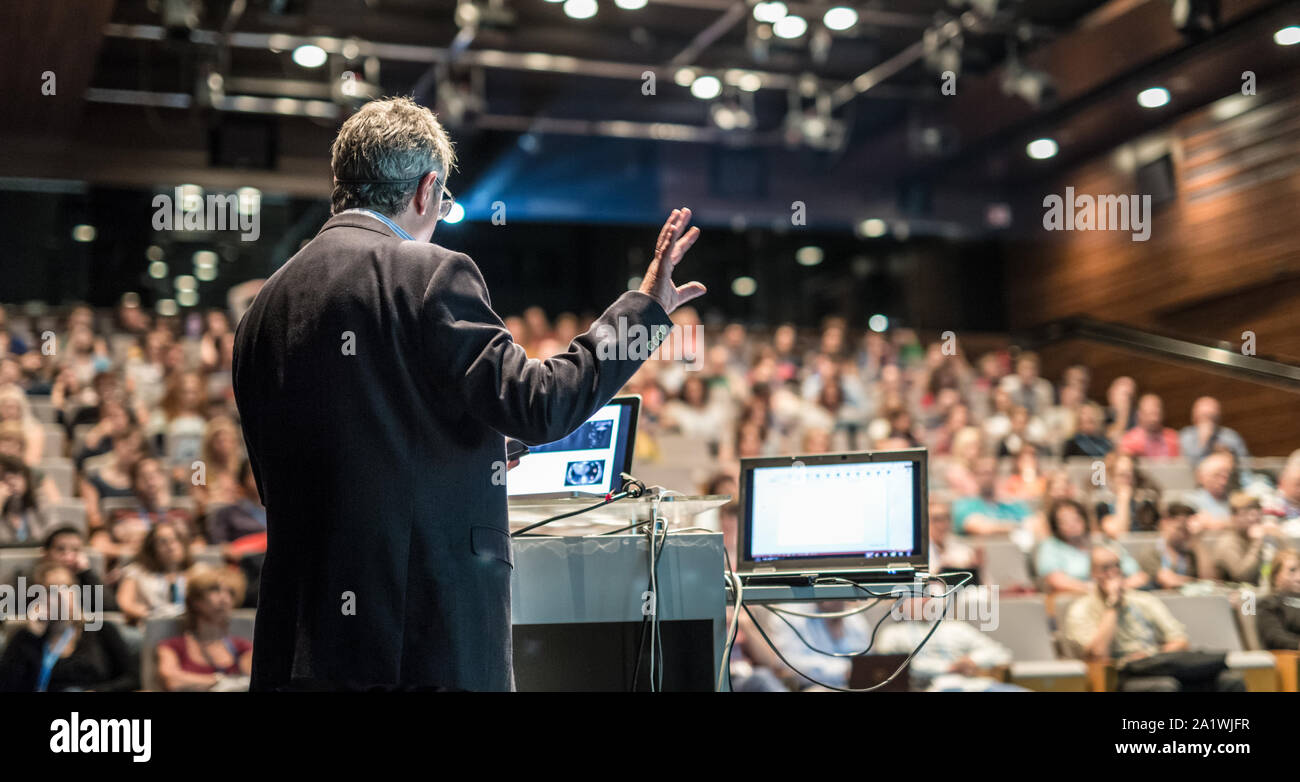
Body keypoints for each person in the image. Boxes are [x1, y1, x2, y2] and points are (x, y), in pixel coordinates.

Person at [232, 97, 705, 692]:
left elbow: (330, 460)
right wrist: (645, 312)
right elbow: (541, 403)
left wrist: (465, 454)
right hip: (417, 637)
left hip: (298, 643)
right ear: (427, 189)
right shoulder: (427, 271)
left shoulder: (262, 308)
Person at [1063, 546, 1243, 692]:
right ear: (1093, 574)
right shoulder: (1081, 609)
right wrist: (1113, 606)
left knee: (1230, 680)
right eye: (1105, 568)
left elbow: (1180, 640)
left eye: (1117, 566)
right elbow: (1097, 654)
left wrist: (1152, 655)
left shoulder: (1144, 600)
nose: (1113, 572)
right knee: (1164, 687)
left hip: (1155, 665)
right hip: (1119, 674)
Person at [0, 561, 137, 692]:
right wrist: (32, 636)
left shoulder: (101, 630)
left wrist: (98, 691)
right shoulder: (25, 638)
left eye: (67, 587)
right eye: (50, 590)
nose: (61, 594)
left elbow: (132, 678)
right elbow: (7, 687)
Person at [156, 565, 253, 691]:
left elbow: (251, 680)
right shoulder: (173, 645)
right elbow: (173, 681)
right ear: (196, 601)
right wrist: (221, 680)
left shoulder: (242, 647)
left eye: (231, 593)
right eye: (215, 590)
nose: (224, 598)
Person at [1036, 499, 1145, 595]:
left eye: (1076, 519)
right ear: (1056, 525)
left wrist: (1118, 588)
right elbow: (1056, 581)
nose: (1071, 524)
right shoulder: (1050, 547)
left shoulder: (1102, 542)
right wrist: (1094, 590)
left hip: (1116, 596)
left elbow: (1138, 576)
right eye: (1064, 521)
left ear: (1084, 519)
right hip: (1075, 602)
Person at [1201, 492, 1286, 586]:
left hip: (1251, 595)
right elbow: (1243, 577)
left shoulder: (1254, 537)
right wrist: (1257, 542)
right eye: (1246, 514)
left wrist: (1278, 538)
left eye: (1257, 514)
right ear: (1234, 517)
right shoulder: (1227, 541)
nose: (1253, 518)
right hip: (1229, 596)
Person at [951, 456, 1033, 536]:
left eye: (991, 472)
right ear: (974, 476)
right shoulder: (964, 505)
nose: (987, 478)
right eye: (983, 473)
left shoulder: (1011, 505)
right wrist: (1019, 526)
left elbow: (1033, 523)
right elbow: (980, 527)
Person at [1137, 502, 1201, 589]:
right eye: (1179, 528)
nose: (1182, 535)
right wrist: (1198, 583)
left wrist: (1197, 540)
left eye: (1186, 530)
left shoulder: (1190, 553)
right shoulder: (1151, 552)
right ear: (1165, 522)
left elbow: (1209, 578)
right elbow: (1168, 581)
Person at [1179, 396, 1248, 467]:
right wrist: (1202, 441)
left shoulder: (1230, 436)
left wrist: (1228, 455)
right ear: (1194, 417)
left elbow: (1245, 462)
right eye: (1203, 416)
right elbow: (1188, 463)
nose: (1207, 422)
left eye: (1211, 416)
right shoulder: (1187, 435)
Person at [1256, 549, 1300, 650]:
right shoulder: (1269, 603)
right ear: (1276, 576)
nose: (1299, 578)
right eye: (1292, 570)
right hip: (1290, 656)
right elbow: (1274, 637)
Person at [1120, 394, 1180, 460]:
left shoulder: (1172, 437)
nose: (1153, 419)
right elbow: (1124, 460)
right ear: (1139, 414)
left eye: (1156, 413)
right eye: (1149, 413)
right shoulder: (1130, 439)